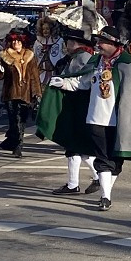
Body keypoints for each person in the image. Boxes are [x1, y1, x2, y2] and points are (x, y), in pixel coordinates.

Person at [48, 27, 131, 211]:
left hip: (121, 121)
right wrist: (63, 82)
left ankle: (106, 193)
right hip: (97, 119)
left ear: (113, 44)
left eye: (101, 42)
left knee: (116, 162)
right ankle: (105, 197)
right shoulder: (96, 61)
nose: (98, 45)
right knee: (103, 159)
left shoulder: (129, 63)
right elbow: (82, 82)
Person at [49, 27, 100, 196]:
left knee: (77, 145)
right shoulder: (77, 57)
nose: (66, 44)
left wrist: (62, 83)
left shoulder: (83, 57)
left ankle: (88, 179)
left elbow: (82, 82)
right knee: (76, 147)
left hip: (80, 104)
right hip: (77, 104)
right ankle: (76, 182)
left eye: (68, 41)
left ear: (76, 43)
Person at [0, 30, 41, 157]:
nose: (16, 43)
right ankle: (14, 142)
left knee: (21, 120)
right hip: (11, 93)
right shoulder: (5, 56)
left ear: (23, 42)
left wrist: (37, 93)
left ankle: (17, 144)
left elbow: (34, 76)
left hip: (26, 94)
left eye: (18, 41)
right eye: (13, 41)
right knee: (14, 120)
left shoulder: (29, 55)